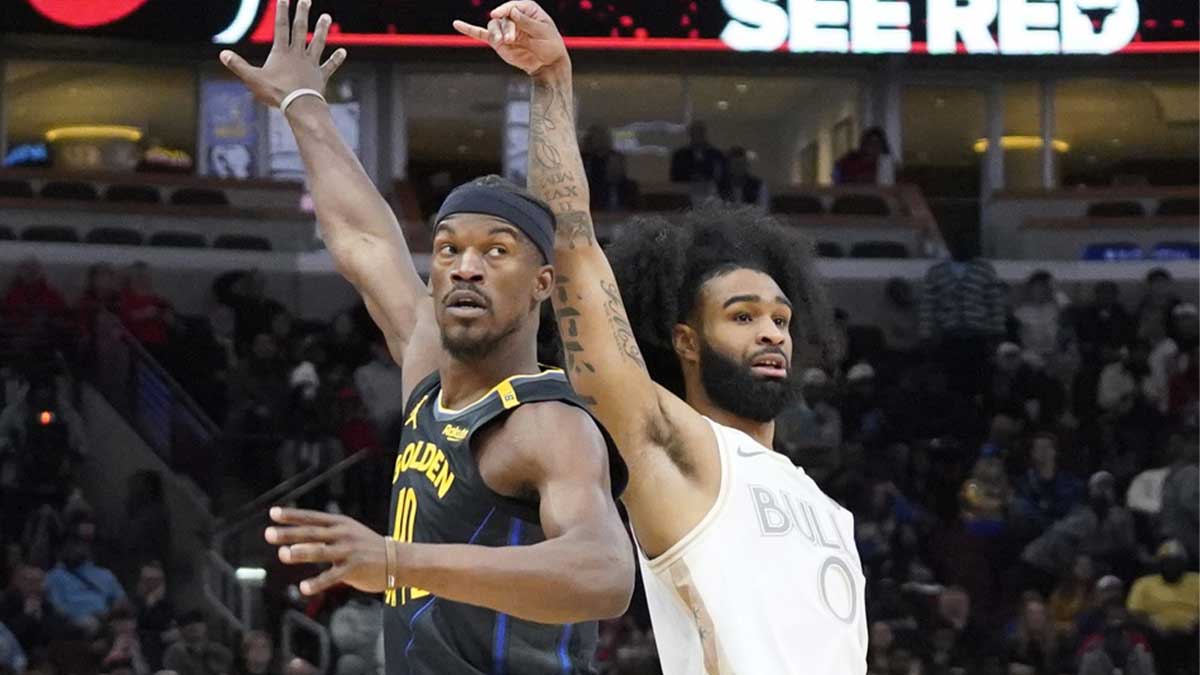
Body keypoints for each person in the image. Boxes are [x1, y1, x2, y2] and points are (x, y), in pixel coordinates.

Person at [219, 6, 634, 674]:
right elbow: (363, 238)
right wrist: (302, 103)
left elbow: (607, 571)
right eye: (448, 250)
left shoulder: (545, 421)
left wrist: (395, 560)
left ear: (540, 283)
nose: (465, 265)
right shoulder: (427, 370)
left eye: (496, 251)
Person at [457, 4, 866, 673]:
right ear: (686, 341)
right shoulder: (678, 450)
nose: (770, 332)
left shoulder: (829, 510)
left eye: (781, 319)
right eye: (741, 316)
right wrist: (552, 81)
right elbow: (574, 250)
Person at [1126, 540, 1199, 674]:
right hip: (1156, 633)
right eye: (1168, 562)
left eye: (1177, 562)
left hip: (1193, 632)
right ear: (1160, 563)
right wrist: (1154, 626)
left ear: (1184, 564)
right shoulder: (1144, 584)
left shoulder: (1197, 580)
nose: (1172, 566)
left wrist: (1195, 624)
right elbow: (1135, 613)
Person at [44, 536, 125, 638]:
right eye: (73, 546)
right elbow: (57, 606)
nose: (77, 549)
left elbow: (120, 599)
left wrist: (110, 614)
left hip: (105, 618)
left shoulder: (104, 574)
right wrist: (77, 616)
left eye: (81, 545)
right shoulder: (55, 576)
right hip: (75, 621)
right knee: (89, 625)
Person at [668, 120, 727, 204]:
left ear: (704, 134)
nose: (697, 136)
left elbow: (722, 178)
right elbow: (675, 179)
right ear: (690, 135)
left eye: (699, 133)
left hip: (712, 199)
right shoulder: (680, 156)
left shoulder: (716, 155)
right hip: (686, 199)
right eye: (694, 133)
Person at [161, 610, 233, 675]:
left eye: (198, 621)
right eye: (187, 623)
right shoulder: (175, 651)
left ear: (205, 626)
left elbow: (227, 665)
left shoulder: (218, 649)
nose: (193, 625)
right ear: (180, 629)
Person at [720, 146, 768, 210]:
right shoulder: (720, 185)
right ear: (728, 166)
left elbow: (763, 209)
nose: (738, 169)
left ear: (747, 165)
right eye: (734, 164)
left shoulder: (758, 186)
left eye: (740, 164)